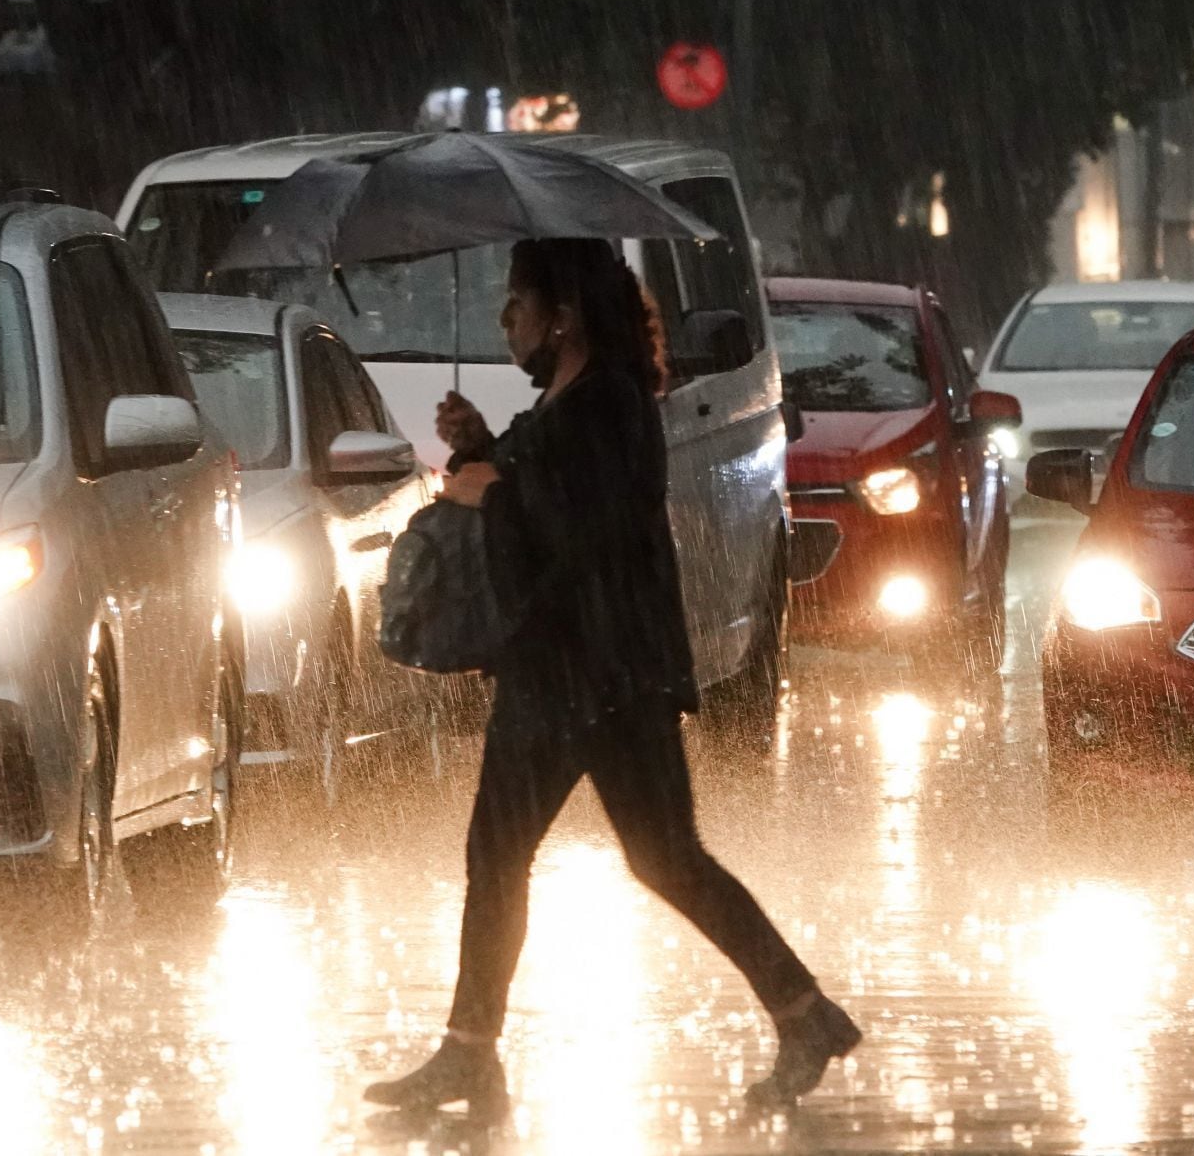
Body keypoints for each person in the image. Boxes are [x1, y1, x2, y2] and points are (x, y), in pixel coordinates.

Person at [363, 238, 858, 1119]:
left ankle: (472, 1054)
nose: (506, 321)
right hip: (588, 670)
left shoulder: (612, 405)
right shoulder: (570, 401)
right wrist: (480, 446)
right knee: (646, 856)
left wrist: (491, 496)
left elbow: (579, 529)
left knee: (533, 855)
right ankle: (803, 1010)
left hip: (588, 670)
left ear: (564, 315)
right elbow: (535, 483)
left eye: (517, 303)